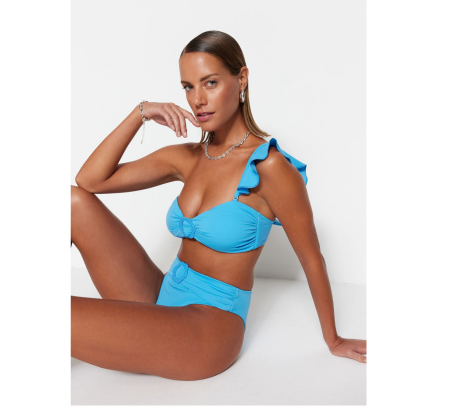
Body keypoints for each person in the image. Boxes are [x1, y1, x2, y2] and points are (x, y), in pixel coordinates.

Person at [71, 30, 367, 381]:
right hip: (162, 295)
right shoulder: (189, 157)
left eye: (210, 83)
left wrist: (333, 339)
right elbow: (90, 180)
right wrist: (142, 112)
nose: (197, 99)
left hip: (207, 328)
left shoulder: (270, 168)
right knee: (72, 203)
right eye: (188, 86)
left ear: (241, 79)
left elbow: (311, 257)